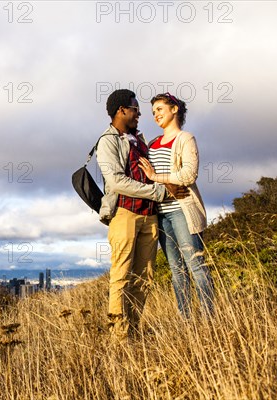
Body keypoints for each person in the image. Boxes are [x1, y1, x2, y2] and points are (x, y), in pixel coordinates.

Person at [96, 89, 185, 339]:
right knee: (121, 276)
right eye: (135, 109)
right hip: (124, 214)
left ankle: (134, 332)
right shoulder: (108, 141)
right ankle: (120, 339)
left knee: (144, 277)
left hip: (149, 216)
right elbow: (116, 182)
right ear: (121, 110)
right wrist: (158, 192)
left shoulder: (139, 139)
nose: (139, 113)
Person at [138, 93, 214, 317]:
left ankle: (209, 319)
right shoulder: (151, 144)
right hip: (160, 214)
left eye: (160, 109)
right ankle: (186, 321)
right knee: (176, 270)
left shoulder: (185, 138)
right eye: (153, 112)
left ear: (174, 109)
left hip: (182, 210)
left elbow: (189, 175)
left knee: (195, 265)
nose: (156, 115)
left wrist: (156, 177)